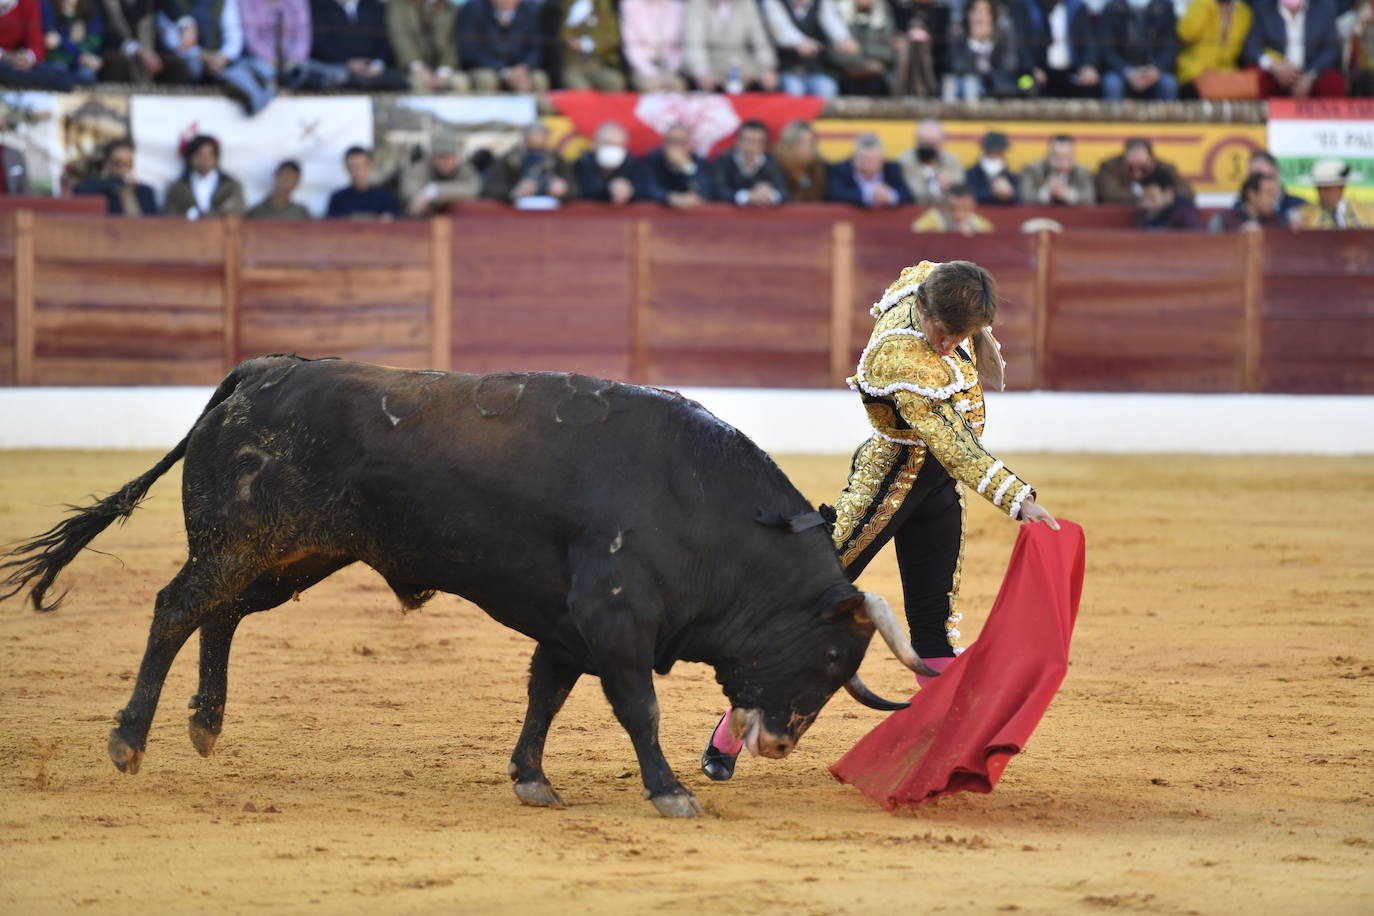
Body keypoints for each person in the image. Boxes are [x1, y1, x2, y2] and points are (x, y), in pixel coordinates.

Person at [701, 259, 1059, 781]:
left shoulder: (932, 286)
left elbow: (941, 273)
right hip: (886, 488)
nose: (944, 346)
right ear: (923, 312)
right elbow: (951, 442)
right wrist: (1017, 498)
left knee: (934, 629)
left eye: (959, 336)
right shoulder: (901, 358)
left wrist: (977, 336)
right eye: (942, 333)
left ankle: (945, 756)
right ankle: (730, 735)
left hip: (936, 491)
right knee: (806, 612)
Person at [158, 0, 278, 114]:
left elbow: (234, 37)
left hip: (221, 60)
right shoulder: (174, 4)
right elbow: (173, 41)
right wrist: (202, 55)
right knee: (191, 67)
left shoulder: (225, 2)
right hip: (191, 59)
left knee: (260, 66)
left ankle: (248, 95)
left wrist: (223, 57)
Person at [1242, 0, 1346, 97]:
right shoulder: (1264, 8)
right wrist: (1272, 66)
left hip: (1312, 74)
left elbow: (1332, 48)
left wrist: (1310, 76)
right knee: (1255, 78)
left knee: (1333, 81)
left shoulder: (1323, 7)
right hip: (1276, 74)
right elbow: (1251, 47)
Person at [296, 0, 408, 90]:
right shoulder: (316, 6)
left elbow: (384, 43)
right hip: (333, 69)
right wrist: (347, 63)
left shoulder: (374, 6)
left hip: (373, 70)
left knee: (397, 79)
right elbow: (319, 43)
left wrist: (376, 64)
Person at [762, 0, 861, 98]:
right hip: (784, 70)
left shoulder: (821, 3)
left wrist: (844, 39)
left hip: (813, 70)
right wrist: (799, 42)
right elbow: (779, 30)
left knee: (827, 87)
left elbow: (832, 22)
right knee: (794, 89)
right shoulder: (774, 2)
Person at [683, 0, 778, 91]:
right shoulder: (698, 3)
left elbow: (759, 38)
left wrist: (767, 68)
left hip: (743, 68)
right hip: (712, 68)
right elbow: (695, 42)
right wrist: (702, 71)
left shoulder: (747, 3)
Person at [1013, 0, 1101, 97]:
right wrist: (1030, 68)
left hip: (1071, 71)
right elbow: (1019, 42)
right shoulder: (1025, 5)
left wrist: (1088, 65)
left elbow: (1089, 40)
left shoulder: (1077, 7)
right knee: (1025, 85)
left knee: (1090, 87)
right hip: (1034, 72)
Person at [942, 0, 1025, 101]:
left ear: (992, 16)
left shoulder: (1003, 36)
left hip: (997, 93)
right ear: (968, 15)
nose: (980, 17)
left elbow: (1009, 67)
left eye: (985, 12)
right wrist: (974, 42)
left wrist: (987, 80)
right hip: (965, 94)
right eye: (976, 11)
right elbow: (957, 67)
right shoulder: (957, 34)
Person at [458, 0, 548, 92]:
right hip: (487, 67)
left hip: (520, 68)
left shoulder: (532, 10)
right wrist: (504, 71)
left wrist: (524, 67)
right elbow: (470, 51)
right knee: (486, 79)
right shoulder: (473, 9)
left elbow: (536, 47)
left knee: (539, 78)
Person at [1098, 0, 1180, 100]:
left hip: (1154, 71)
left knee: (1168, 84)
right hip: (1121, 71)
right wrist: (1127, 71)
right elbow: (1106, 50)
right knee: (1112, 84)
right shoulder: (1112, 7)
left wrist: (1157, 69)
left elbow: (1170, 46)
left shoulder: (1165, 6)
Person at [480, 122, 578, 205]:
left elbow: (576, 189)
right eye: (534, 135)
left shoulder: (557, 160)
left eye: (541, 135)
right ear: (525, 137)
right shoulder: (509, 159)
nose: (538, 138)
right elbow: (489, 189)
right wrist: (514, 192)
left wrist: (564, 189)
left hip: (551, 212)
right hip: (515, 215)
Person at [98, 0, 190, 83]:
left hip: (148, 46)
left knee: (177, 65)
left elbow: (172, 9)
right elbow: (103, 33)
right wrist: (138, 50)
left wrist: (188, 26)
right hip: (114, 47)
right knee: (117, 63)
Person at [1175, 0, 1253, 96]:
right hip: (1194, 71)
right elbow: (1185, 35)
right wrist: (1206, 7)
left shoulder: (1243, 12)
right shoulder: (1201, 4)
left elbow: (1235, 52)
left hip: (1225, 73)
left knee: (1248, 90)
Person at [388, 0, 468, 92]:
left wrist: (443, 73)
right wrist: (419, 69)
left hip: (444, 69)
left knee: (460, 82)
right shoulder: (399, 5)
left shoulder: (449, 7)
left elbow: (453, 43)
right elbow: (401, 39)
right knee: (419, 83)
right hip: (410, 69)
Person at [163, 134, 245, 218]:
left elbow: (235, 210)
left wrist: (205, 216)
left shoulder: (230, 185)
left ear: (216, 158)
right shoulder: (178, 187)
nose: (205, 159)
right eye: (200, 154)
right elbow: (170, 215)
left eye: (210, 154)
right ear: (191, 157)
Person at [0, 0, 77, 89]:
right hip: (4, 60)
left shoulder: (28, 3)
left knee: (60, 75)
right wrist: (5, 56)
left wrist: (28, 57)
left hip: (16, 61)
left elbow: (36, 43)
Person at [637, 122, 717, 208]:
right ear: (664, 143)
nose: (677, 147)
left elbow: (707, 191)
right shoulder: (652, 159)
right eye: (673, 142)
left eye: (683, 142)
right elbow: (647, 189)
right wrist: (670, 197)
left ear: (690, 145)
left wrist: (687, 167)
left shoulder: (699, 162)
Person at [400, 135, 481, 217]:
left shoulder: (465, 170)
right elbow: (411, 194)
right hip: (423, 222)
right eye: (442, 157)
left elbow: (473, 189)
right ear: (433, 158)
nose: (448, 161)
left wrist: (434, 191)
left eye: (453, 157)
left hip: (458, 222)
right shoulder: (418, 169)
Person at [713, 119, 789, 207]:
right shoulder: (723, 161)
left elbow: (784, 192)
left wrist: (769, 194)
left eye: (756, 142)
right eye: (747, 141)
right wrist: (748, 196)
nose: (751, 147)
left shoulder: (771, 163)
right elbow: (718, 191)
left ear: (764, 146)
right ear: (737, 141)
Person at [1095, 137, 1192, 204]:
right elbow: (1110, 195)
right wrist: (1149, 197)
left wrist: (1163, 198)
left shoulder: (1165, 169)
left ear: (1151, 161)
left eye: (1142, 168)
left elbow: (1186, 192)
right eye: (1131, 168)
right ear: (1123, 160)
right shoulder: (1110, 167)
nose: (1137, 173)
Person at [73, 138, 158, 215]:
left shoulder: (145, 191)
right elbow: (79, 190)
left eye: (128, 164)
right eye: (117, 163)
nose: (123, 168)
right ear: (107, 164)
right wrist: (118, 182)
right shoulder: (104, 187)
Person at [826, 132, 913, 207]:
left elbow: (907, 195)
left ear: (882, 159)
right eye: (864, 160)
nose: (868, 165)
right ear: (853, 158)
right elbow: (835, 194)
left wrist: (889, 196)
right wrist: (869, 195)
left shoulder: (892, 169)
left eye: (873, 160)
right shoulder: (840, 169)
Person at [832, 0, 897, 95]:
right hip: (844, 74)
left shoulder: (883, 15)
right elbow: (833, 52)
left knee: (877, 86)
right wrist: (864, 64)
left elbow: (890, 52)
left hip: (877, 76)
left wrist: (863, 48)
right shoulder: (840, 12)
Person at [896, 118, 965, 206]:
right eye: (924, 143)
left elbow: (961, 195)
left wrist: (952, 186)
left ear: (942, 142)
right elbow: (913, 194)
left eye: (932, 144)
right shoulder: (904, 161)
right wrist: (938, 186)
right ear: (916, 141)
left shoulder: (952, 161)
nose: (928, 149)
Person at [620, 0, 687, 91]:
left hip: (670, 68)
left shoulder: (678, 8)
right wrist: (651, 73)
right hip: (643, 68)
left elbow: (681, 46)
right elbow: (631, 46)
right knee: (652, 87)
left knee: (678, 86)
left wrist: (669, 72)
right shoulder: (630, 5)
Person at [559, 0, 624, 90]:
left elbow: (613, 38)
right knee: (581, 89)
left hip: (597, 63)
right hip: (572, 63)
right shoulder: (567, 5)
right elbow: (561, 32)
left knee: (614, 82)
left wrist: (586, 45)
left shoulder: (604, 7)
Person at [1291, 158, 1374, 228]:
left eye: (1327, 188)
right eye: (1319, 188)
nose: (1322, 192)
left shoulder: (1367, 213)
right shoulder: (1304, 215)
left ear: (1340, 188)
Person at [573, 121, 639, 205]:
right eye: (608, 143)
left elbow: (643, 190)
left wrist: (629, 191)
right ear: (595, 144)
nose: (613, 149)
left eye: (619, 145)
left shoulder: (631, 163)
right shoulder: (583, 163)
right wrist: (609, 189)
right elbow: (584, 191)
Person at [41, 0, 106, 85]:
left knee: (87, 74)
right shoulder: (48, 5)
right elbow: (50, 42)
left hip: (81, 60)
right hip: (58, 59)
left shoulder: (90, 8)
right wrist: (79, 55)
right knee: (59, 70)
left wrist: (61, 42)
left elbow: (94, 43)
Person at [326, 146, 398, 219]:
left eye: (361, 165)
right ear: (347, 168)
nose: (357, 170)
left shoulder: (384, 198)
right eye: (352, 166)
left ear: (370, 166)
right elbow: (330, 225)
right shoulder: (338, 198)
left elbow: (393, 222)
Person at [1019, 135, 1094, 205]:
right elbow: (1024, 196)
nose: (1062, 161)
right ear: (1047, 155)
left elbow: (1090, 197)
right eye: (1057, 156)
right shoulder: (1032, 170)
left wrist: (1067, 193)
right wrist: (1047, 192)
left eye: (1067, 156)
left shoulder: (1083, 172)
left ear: (1074, 156)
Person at [1209, 171, 1283, 230]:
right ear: (1252, 195)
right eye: (1269, 194)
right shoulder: (1223, 219)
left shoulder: (1277, 220)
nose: (1274, 200)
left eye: (1276, 195)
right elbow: (1211, 247)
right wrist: (1239, 238)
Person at [1135, 166, 1205, 229]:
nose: (1145, 204)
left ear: (1168, 192)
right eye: (1143, 198)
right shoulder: (1145, 216)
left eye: (1152, 197)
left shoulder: (1186, 214)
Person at [775, 119, 827, 201]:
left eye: (811, 142)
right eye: (801, 142)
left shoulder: (820, 168)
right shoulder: (776, 168)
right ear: (788, 144)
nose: (807, 147)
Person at [912, 182, 995, 233]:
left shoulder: (980, 225)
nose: (959, 214)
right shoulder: (932, 219)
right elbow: (915, 235)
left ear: (972, 206)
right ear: (945, 206)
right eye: (953, 209)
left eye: (965, 209)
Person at [965, 130, 1020, 205]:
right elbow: (969, 197)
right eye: (990, 153)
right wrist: (993, 192)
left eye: (998, 153)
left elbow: (1021, 200)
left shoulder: (1011, 178)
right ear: (984, 152)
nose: (994, 157)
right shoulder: (970, 175)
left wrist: (1010, 194)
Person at [1246, 150, 1304, 220]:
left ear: (1275, 172)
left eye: (1260, 176)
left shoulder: (1300, 207)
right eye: (1252, 177)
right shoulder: (1236, 212)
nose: (1255, 182)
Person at [247, 159, 311, 219]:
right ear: (276, 176)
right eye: (285, 178)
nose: (287, 183)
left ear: (297, 183)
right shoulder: (258, 211)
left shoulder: (301, 212)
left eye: (293, 179)